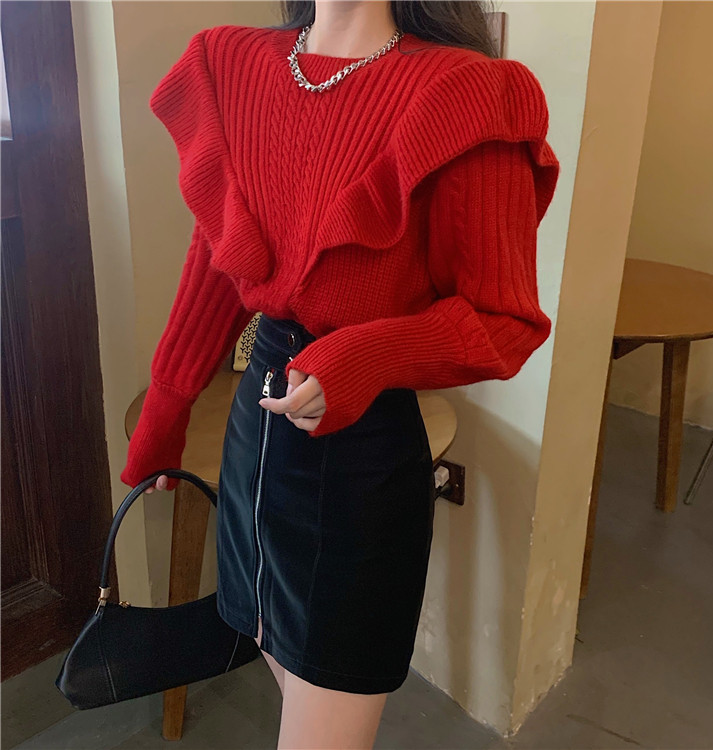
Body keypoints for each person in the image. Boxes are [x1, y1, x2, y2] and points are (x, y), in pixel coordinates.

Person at [121, 1, 560, 747]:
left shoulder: (468, 93)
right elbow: (218, 255)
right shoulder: (230, 64)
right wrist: (167, 411)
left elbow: (504, 320)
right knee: (275, 654)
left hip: (358, 468)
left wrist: (364, 357)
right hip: (253, 443)